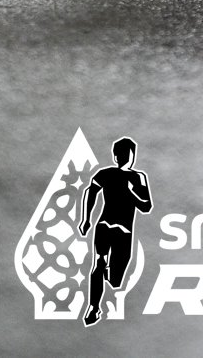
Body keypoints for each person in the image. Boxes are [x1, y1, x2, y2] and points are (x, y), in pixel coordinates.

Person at [78, 137, 152, 326]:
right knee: (99, 262)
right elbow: (90, 192)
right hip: (106, 226)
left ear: (132, 155)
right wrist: (85, 219)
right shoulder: (106, 174)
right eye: (121, 154)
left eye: (127, 154)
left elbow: (146, 206)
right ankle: (93, 307)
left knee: (115, 279)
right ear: (115, 156)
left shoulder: (138, 177)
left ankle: (107, 275)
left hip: (123, 231)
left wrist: (130, 192)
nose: (125, 157)